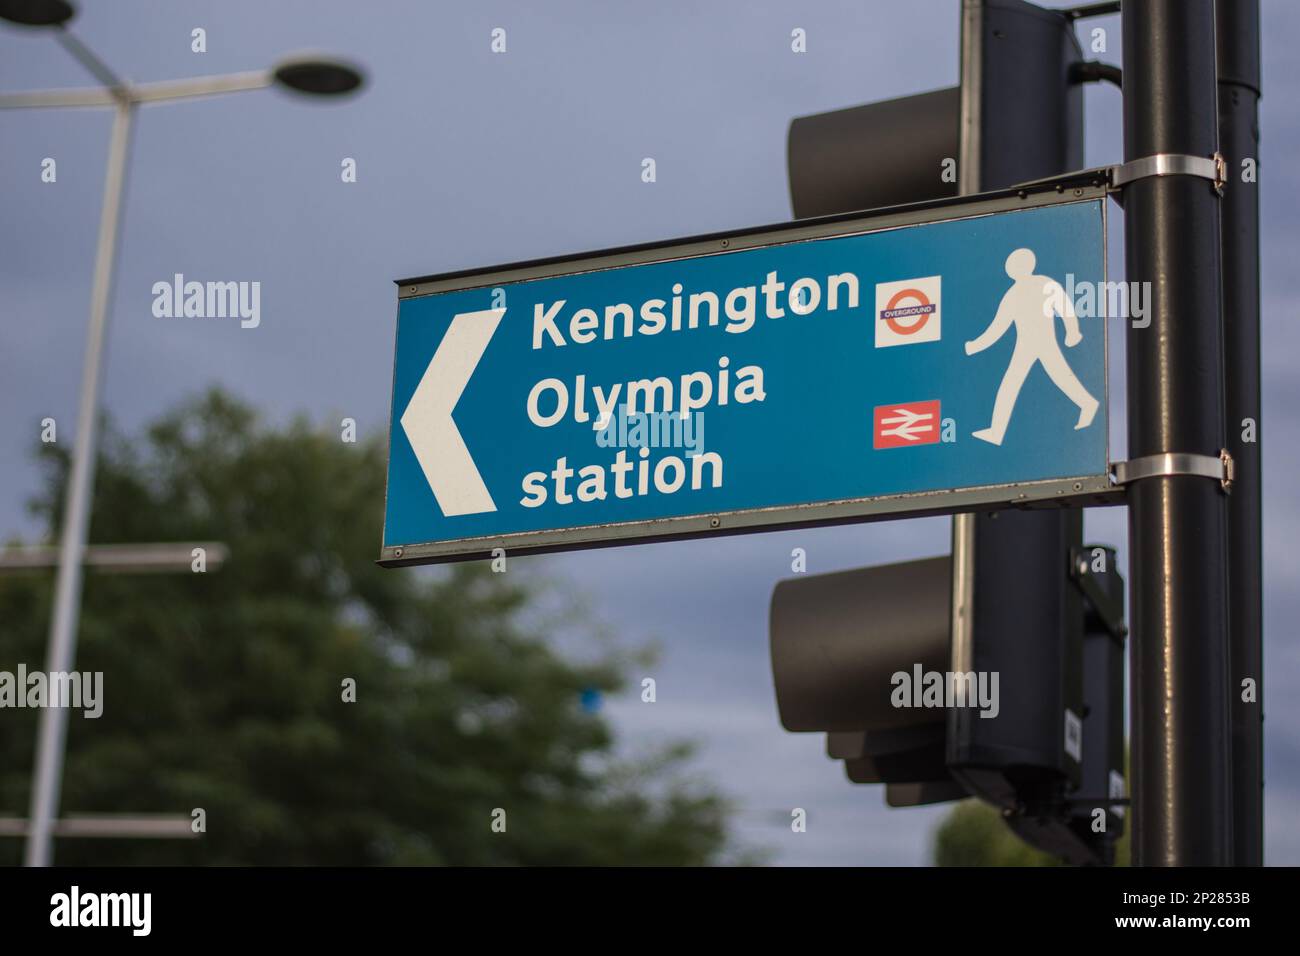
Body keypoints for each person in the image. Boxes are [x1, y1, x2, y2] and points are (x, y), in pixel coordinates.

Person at [965, 248, 1098, 446]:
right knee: (1015, 383)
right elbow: (998, 327)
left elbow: (1064, 307)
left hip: (1043, 341)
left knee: (1054, 378)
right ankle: (996, 431)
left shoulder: (1043, 284)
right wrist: (975, 346)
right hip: (1026, 345)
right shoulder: (1013, 294)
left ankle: (1088, 404)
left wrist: (1073, 331)